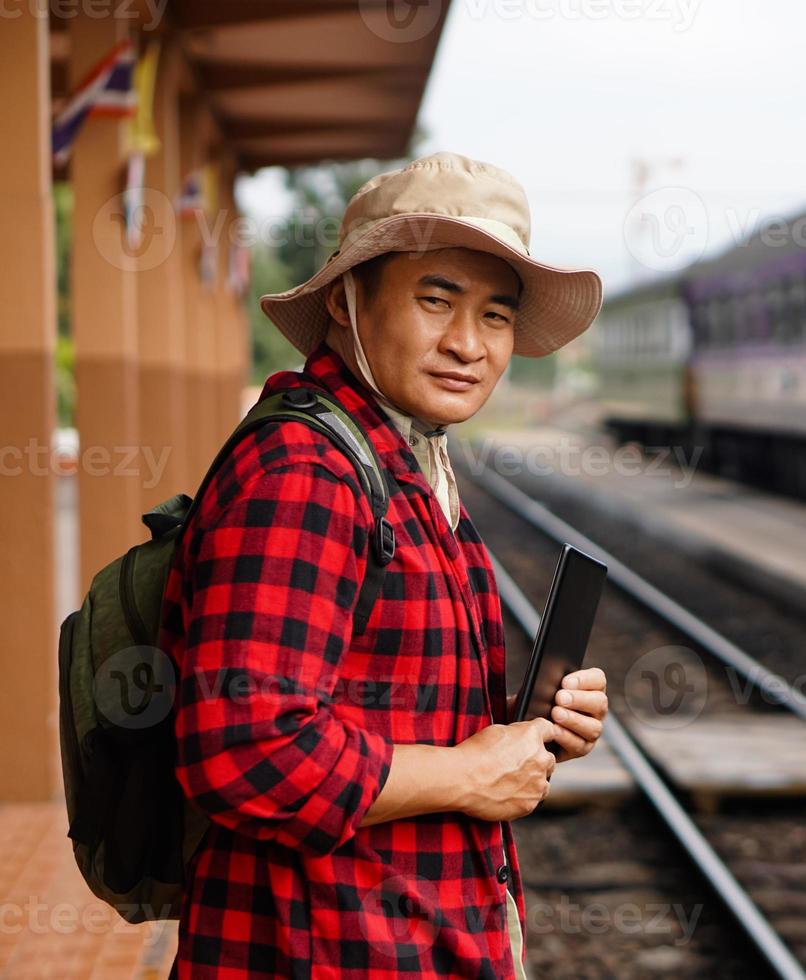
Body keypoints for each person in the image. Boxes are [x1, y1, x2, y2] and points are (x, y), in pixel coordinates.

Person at [157, 152, 607, 978]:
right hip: (323, 947)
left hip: (405, 936)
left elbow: (370, 699)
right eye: (436, 300)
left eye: (496, 317)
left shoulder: (401, 460)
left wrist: (522, 724)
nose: (468, 345)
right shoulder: (309, 473)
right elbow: (244, 748)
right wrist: (469, 773)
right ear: (347, 298)